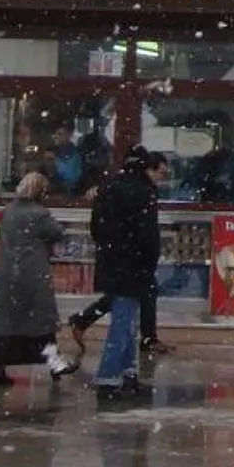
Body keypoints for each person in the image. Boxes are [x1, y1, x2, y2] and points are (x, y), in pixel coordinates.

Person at [0, 171, 73, 388]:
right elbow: (57, 233)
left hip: (5, 273)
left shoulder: (8, 211)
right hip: (31, 274)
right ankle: (55, 366)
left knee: (4, 324)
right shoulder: (40, 214)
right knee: (40, 323)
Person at [87, 145, 162, 395]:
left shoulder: (108, 187)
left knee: (126, 320)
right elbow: (149, 235)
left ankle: (129, 373)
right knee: (123, 323)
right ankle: (107, 378)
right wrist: (149, 261)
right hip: (134, 264)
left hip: (110, 261)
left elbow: (96, 228)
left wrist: (108, 249)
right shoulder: (143, 192)